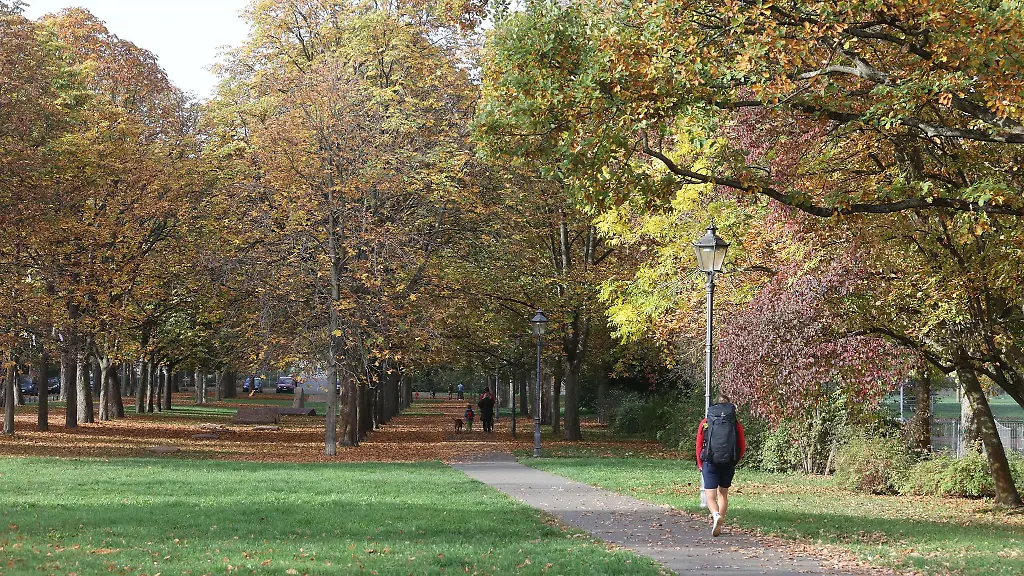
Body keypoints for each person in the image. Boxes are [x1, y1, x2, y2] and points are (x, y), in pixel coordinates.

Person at [695, 394, 746, 537]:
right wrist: (735, 460)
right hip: (728, 461)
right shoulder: (735, 424)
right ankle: (720, 523)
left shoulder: (705, 422)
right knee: (723, 494)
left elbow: (699, 445)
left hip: (709, 461)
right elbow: (742, 445)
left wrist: (700, 464)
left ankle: (716, 515)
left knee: (710, 496)